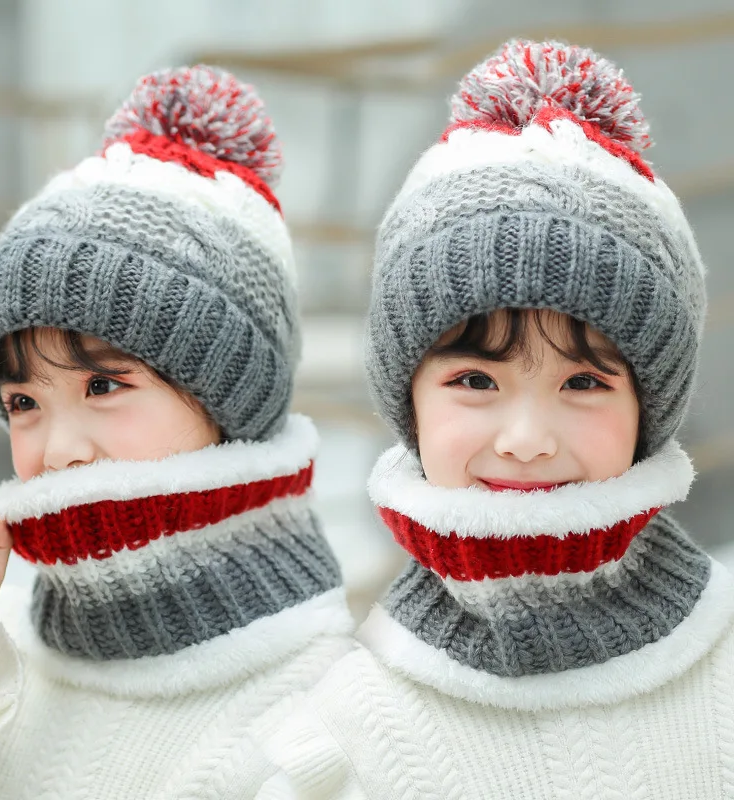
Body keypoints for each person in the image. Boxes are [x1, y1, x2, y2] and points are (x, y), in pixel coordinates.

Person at [258, 40, 734, 799]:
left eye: (582, 381)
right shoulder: (348, 723)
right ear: (404, 399)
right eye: (476, 379)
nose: (525, 440)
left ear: (651, 406)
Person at [0, 65, 353, 799]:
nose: (59, 449)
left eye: (104, 386)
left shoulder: (320, 702)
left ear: (230, 403)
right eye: (24, 402)